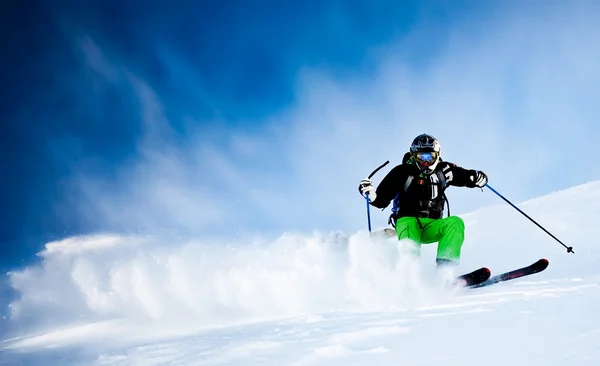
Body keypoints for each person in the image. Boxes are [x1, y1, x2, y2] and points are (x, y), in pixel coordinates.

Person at [358, 133, 488, 267]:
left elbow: (466, 176)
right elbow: (381, 200)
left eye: (430, 157)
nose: (426, 162)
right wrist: (371, 195)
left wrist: (478, 178)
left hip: (432, 225)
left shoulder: (444, 170)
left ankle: (445, 271)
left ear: (437, 155)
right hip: (407, 222)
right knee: (409, 229)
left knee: (455, 223)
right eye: (421, 157)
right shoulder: (402, 172)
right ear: (413, 156)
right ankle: (409, 273)